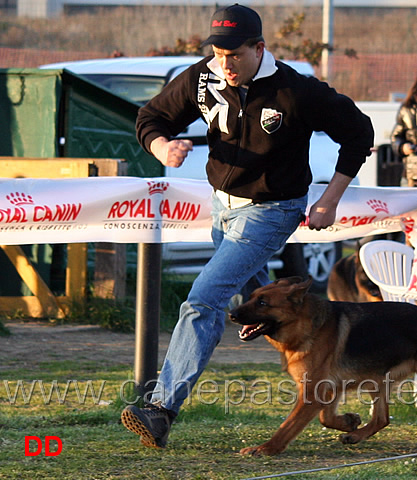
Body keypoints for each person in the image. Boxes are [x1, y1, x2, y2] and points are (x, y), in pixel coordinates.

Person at [120, 3, 374, 448]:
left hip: (272, 211)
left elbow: (360, 133)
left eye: (235, 55)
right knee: (268, 304)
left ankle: (160, 410)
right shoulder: (204, 77)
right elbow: (150, 117)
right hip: (222, 208)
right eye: (218, 54)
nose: (225, 64)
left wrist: (329, 199)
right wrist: (162, 147)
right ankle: (328, 383)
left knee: (203, 300)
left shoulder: (296, 91)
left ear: (259, 48)